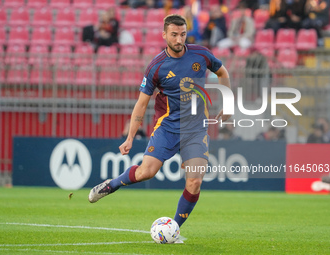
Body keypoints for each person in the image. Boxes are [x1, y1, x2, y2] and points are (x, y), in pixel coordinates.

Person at [88, 14, 231, 231]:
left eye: (182, 34)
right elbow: (141, 104)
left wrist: (228, 103)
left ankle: (174, 228)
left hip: (195, 129)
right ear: (164, 34)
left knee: (195, 180)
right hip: (167, 127)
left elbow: (222, 72)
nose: (179, 40)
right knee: (147, 172)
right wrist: (130, 137)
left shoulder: (201, 54)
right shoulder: (156, 66)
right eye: (174, 35)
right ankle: (112, 184)